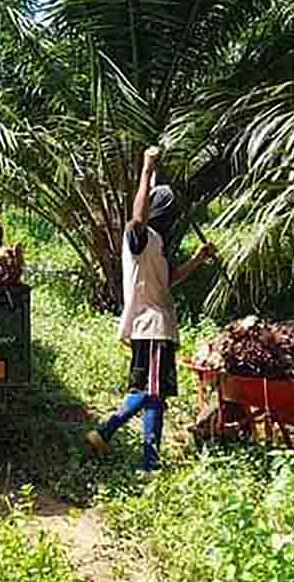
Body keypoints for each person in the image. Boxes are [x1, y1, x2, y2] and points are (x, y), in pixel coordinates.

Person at [84, 145, 216, 472]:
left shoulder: (157, 244)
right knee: (150, 390)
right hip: (151, 326)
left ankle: (150, 462)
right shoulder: (140, 238)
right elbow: (137, 215)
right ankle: (104, 431)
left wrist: (198, 260)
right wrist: (146, 169)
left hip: (160, 326)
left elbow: (169, 278)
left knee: (156, 397)